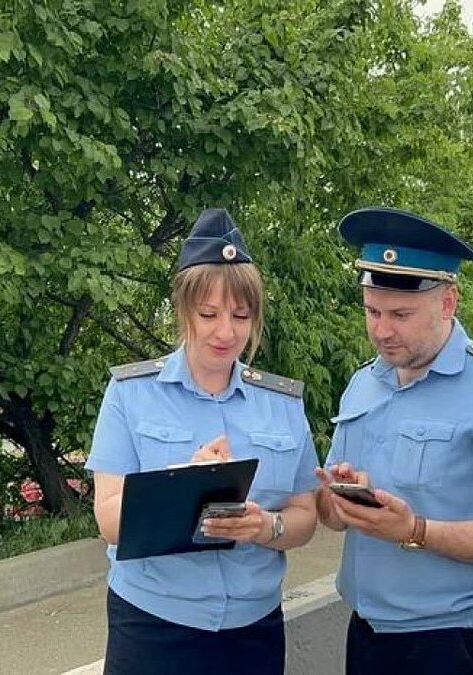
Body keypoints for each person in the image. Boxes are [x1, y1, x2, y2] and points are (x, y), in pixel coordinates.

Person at [315, 206, 473, 675]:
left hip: (456, 643)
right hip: (366, 635)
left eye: (400, 314)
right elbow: (328, 514)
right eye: (372, 311)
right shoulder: (363, 382)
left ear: (448, 302)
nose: (382, 330)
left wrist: (416, 531)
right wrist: (341, 498)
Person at [85, 208, 320, 675]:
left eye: (241, 315)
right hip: (155, 624)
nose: (225, 332)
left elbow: (305, 516)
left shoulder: (282, 403)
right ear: (182, 310)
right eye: (209, 314)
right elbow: (108, 519)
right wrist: (182, 487)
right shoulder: (131, 394)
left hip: (253, 629)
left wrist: (264, 526)